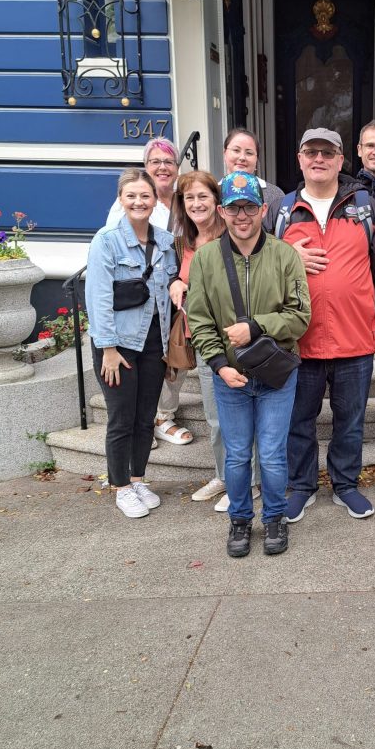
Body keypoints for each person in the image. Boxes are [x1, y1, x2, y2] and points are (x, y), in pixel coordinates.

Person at [270, 127, 375, 523]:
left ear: (342, 160)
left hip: (355, 338)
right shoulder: (282, 212)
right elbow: (256, 267)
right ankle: (302, 486)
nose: (319, 159)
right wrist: (284, 253)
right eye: (311, 152)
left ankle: (345, 485)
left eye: (328, 153)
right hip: (299, 341)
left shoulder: (364, 207)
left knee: (350, 421)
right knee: (299, 422)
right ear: (300, 158)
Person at [186, 172, 311, 558]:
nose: (243, 216)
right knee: (237, 454)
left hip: (276, 374)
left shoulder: (284, 254)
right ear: (222, 211)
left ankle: (274, 517)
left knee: (272, 453)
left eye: (250, 207)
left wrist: (256, 326)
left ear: (263, 209)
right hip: (231, 376)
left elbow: (300, 316)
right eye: (234, 207)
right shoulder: (206, 258)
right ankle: (240, 520)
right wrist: (220, 364)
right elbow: (200, 319)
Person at [86, 168, 177, 518]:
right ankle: (121, 486)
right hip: (118, 345)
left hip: (154, 343)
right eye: (131, 196)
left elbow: (166, 296)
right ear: (121, 200)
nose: (139, 202)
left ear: (155, 200)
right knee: (121, 419)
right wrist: (107, 348)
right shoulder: (106, 240)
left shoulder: (165, 242)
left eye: (145, 196)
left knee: (144, 417)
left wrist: (169, 351)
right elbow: (97, 297)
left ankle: (138, 478)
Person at [164, 171, 232, 503]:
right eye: (189, 198)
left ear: (217, 201)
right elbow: (183, 279)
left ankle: (246, 482)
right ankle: (223, 476)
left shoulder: (233, 235)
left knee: (236, 416)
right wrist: (177, 282)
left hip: (232, 342)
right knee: (215, 418)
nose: (196, 204)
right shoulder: (186, 242)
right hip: (202, 341)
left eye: (202, 196)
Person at [106, 138, 179, 230]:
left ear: (177, 167)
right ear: (146, 166)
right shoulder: (129, 201)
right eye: (155, 162)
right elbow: (112, 239)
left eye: (169, 162)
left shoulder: (187, 200)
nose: (163, 167)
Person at [223, 127, 285, 217]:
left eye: (249, 153)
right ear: (225, 154)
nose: (242, 157)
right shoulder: (213, 192)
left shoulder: (275, 195)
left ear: (256, 159)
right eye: (236, 150)